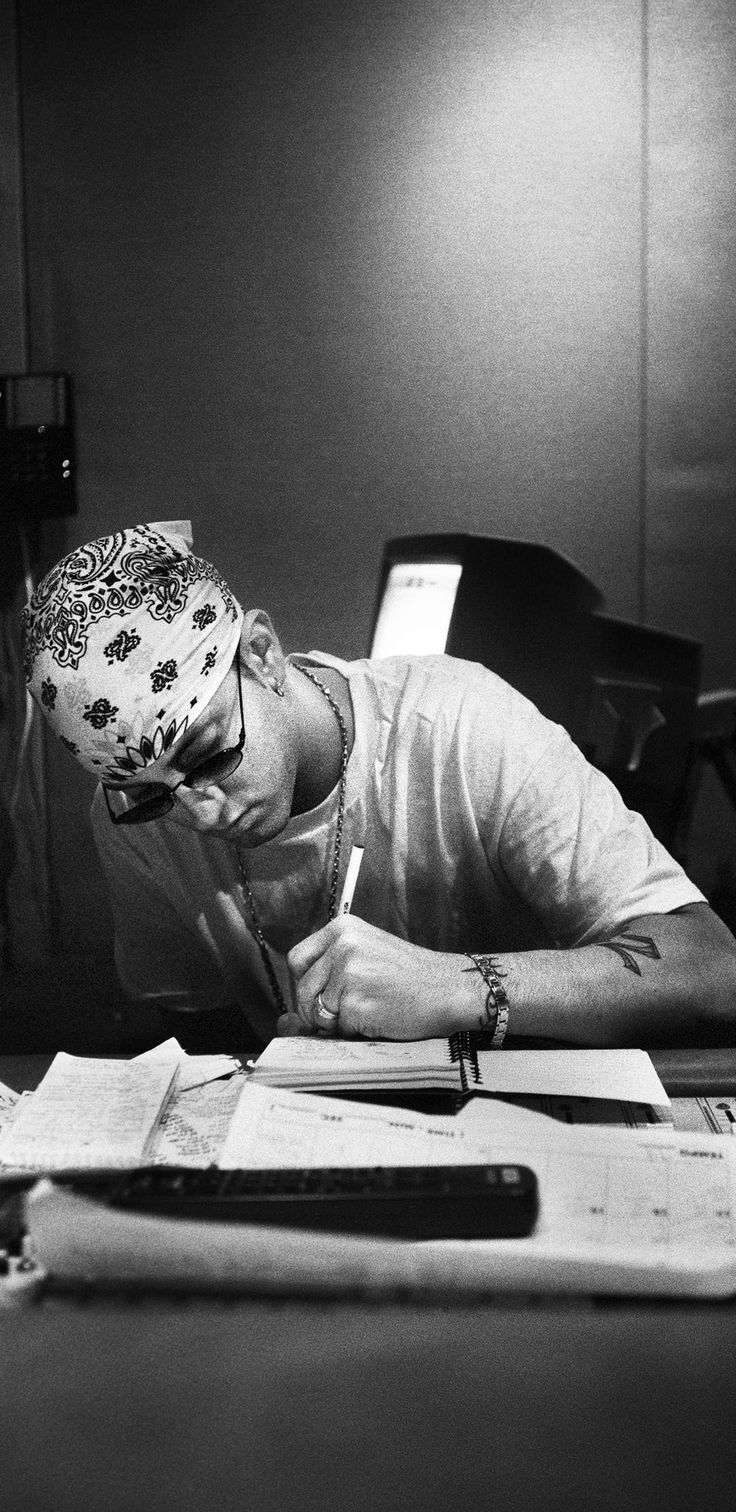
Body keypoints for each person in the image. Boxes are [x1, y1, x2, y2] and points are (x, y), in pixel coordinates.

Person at [21, 521, 736, 1051]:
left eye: (209, 756)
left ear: (263, 655)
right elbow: (198, 1034)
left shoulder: (458, 725)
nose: (197, 810)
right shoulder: (139, 819)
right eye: (149, 792)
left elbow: (713, 970)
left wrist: (456, 988)